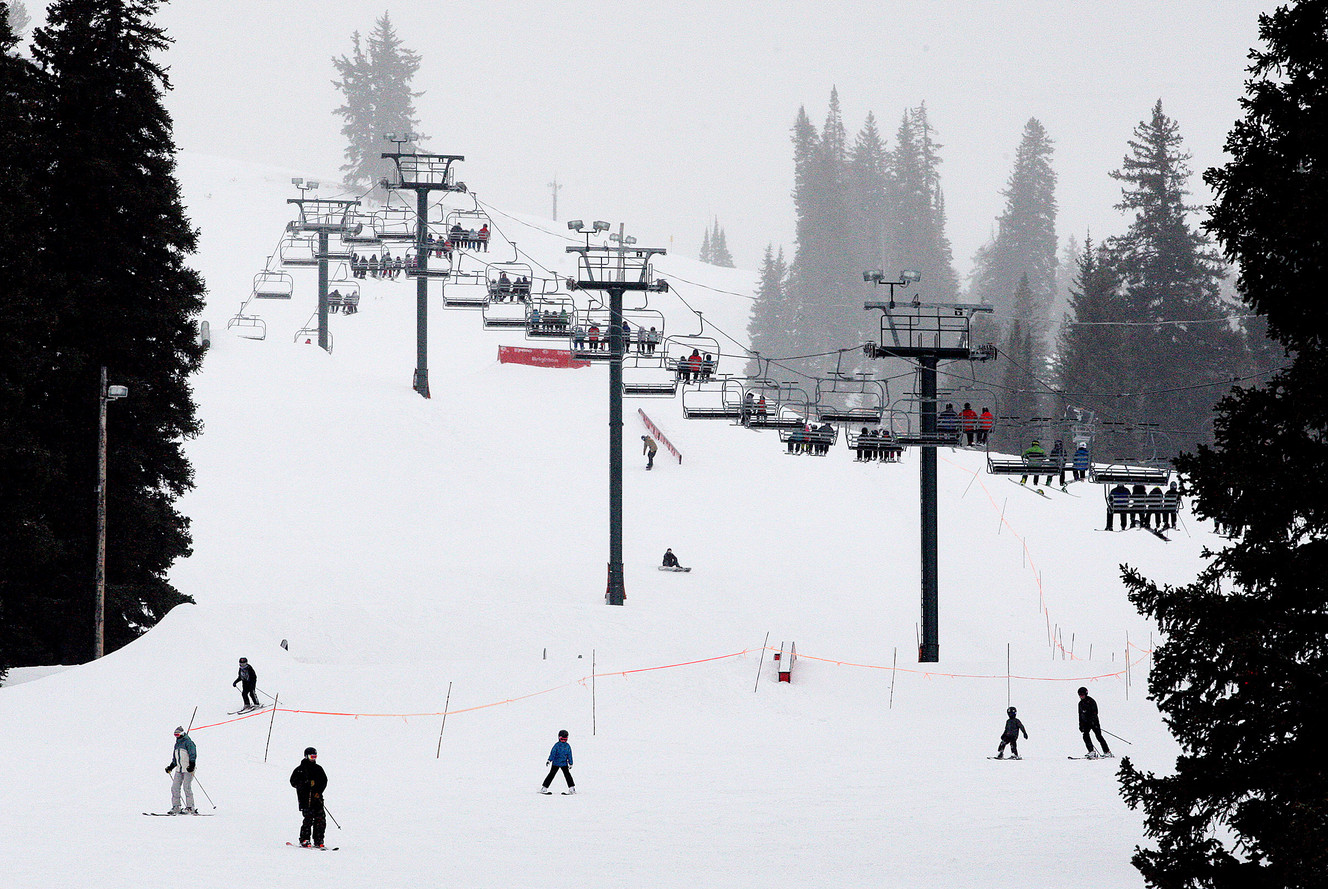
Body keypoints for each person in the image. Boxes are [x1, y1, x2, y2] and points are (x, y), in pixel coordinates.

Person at [290, 747, 328, 848]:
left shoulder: (318, 769)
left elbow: (324, 781)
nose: (313, 759)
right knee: (308, 819)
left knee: (320, 819)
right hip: (305, 799)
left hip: (317, 799)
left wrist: (318, 791)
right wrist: (305, 784)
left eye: (315, 756)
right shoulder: (300, 770)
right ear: (306, 756)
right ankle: (304, 839)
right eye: (311, 756)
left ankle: (318, 840)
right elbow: (293, 782)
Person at [164, 726, 197, 815]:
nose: (176, 736)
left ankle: (190, 807)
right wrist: (170, 767)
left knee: (187, 787)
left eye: (177, 734)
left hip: (188, 769)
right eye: (175, 735)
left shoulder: (188, 743)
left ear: (182, 734)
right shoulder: (177, 744)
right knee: (174, 788)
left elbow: (192, 754)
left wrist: (192, 765)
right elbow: (175, 759)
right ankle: (176, 807)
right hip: (179, 769)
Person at [1077, 687, 1112, 757]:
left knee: (1098, 736)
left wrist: (1092, 721)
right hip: (1086, 723)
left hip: (1094, 722)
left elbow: (1095, 712)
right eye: (1080, 695)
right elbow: (1080, 715)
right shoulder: (1080, 703)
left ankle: (1107, 751)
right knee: (1085, 736)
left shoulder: (1091, 701)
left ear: (1086, 694)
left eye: (1082, 694)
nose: (1081, 696)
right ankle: (1091, 751)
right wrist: (1081, 725)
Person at [540, 730, 575, 794]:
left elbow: (569, 755)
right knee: (551, 775)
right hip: (556, 763)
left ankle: (571, 788)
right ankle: (544, 788)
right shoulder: (557, 745)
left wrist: (570, 763)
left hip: (564, 763)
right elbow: (552, 753)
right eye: (562, 739)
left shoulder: (567, 746)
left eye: (565, 739)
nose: (564, 741)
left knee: (567, 775)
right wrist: (549, 760)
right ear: (559, 738)